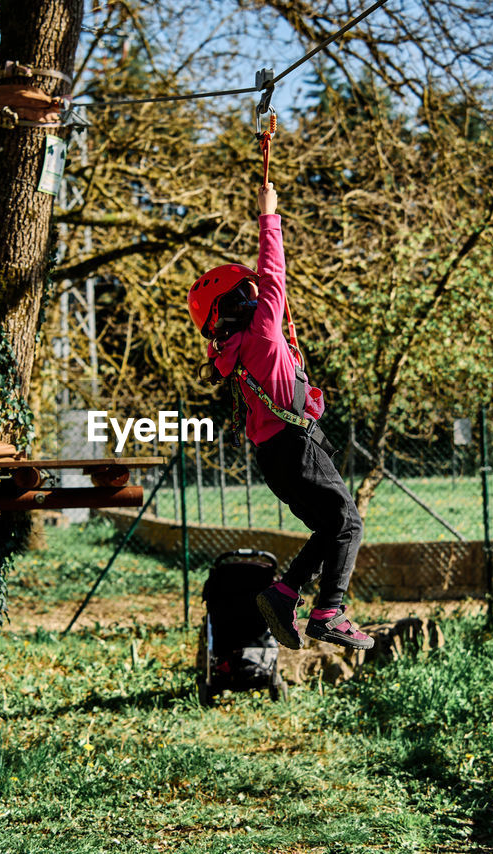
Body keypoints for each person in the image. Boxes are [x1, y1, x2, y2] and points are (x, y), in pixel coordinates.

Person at [186, 182, 372, 651]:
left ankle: (285, 592)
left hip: (274, 458)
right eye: (244, 293)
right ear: (232, 304)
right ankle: (330, 610)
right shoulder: (264, 333)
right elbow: (275, 275)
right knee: (348, 523)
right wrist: (270, 216)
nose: (256, 295)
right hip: (298, 447)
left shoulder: (232, 351)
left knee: (329, 527)